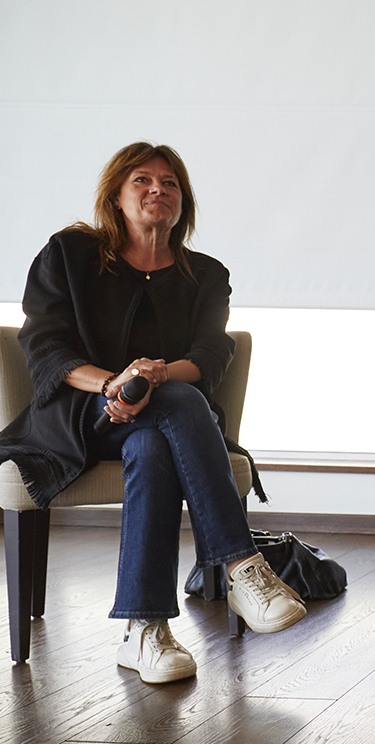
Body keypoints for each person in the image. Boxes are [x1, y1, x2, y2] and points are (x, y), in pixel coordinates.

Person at [0, 142, 307, 684]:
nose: (156, 191)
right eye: (142, 180)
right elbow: (45, 347)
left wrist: (155, 377)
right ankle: (242, 566)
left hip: (161, 422)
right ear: (116, 195)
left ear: (182, 201)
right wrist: (113, 384)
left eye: (169, 183)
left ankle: (144, 632)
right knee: (177, 406)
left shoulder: (206, 275)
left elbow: (211, 356)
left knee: (154, 436)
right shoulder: (69, 254)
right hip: (79, 418)